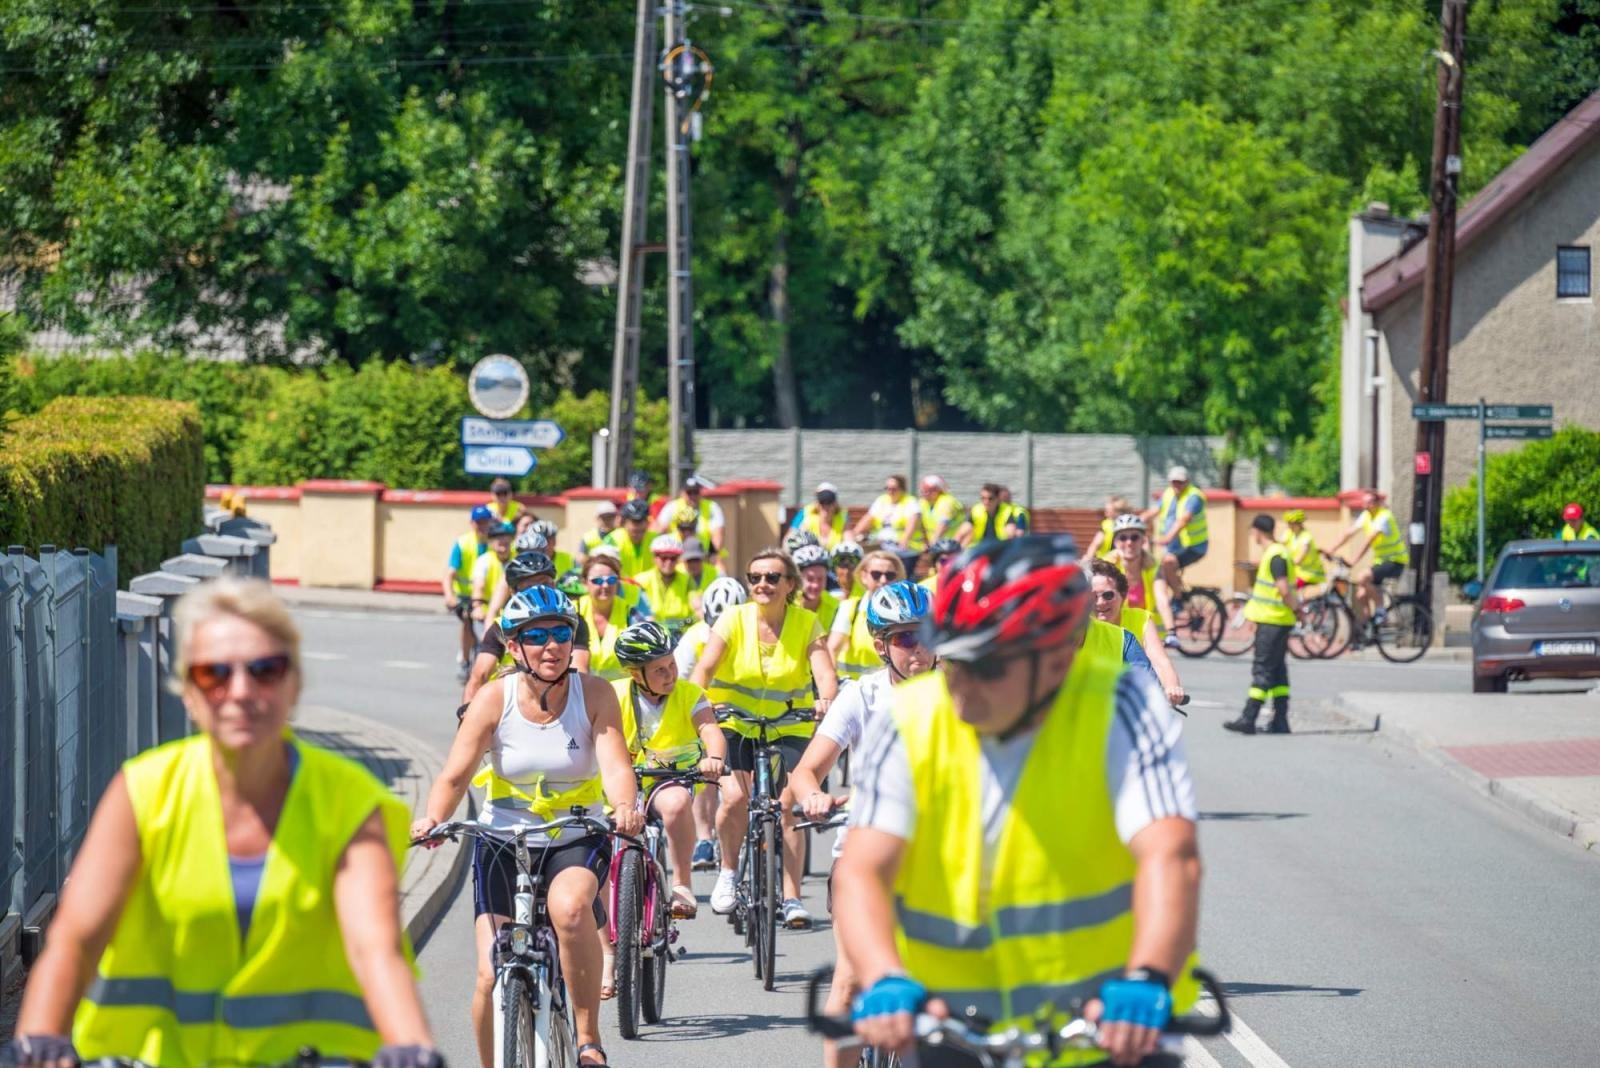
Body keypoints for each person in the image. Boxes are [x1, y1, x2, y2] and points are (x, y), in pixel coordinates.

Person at [9, 578, 437, 1067]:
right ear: (188, 693)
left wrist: (411, 1045)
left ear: (294, 684)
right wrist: (41, 1039)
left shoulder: (352, 802)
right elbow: (75, 940)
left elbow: (375, 948)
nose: (241, 691)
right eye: (214, 674)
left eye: (265, 670)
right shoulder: (144, 791)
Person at [834, 536, 1202, 1067]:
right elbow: (862, 871)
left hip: (1106, 1015)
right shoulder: (910, 719)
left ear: (1051, 660)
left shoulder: (1120, 708)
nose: (958, 683)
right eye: (951, 657)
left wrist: (1148, 977)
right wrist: (884, 975)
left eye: (984, 665)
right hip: (957, 1013)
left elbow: (1172, 857)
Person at [415, 586, 642, 1068]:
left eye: (561, 632)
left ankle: (586, 1038)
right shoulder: (494, 699)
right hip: (503, 839)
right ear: (513, 647)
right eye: (535, 636)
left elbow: (616, 765)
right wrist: (433, 818)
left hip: (574, 835)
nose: (551, 645)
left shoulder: (595, 693)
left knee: (571, 909)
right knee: (487, 974)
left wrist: (624, 805)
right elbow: (455, 774)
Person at [788, 581, 936, 1068]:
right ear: (881, 646)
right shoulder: (861, 696)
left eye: (928, 634)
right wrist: (813, 795)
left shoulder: (961, 693)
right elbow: (807, 769)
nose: (920, 648)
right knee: (850, 981)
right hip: (865, 858)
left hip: (940, 859)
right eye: (906, 638)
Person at [692, 548, 839, 929]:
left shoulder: (807, 623)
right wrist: (695, 704)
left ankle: (791, 898)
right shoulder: (733, 619)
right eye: (755, 576)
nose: (762, 584)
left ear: (789, 584)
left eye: (773, 577)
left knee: (788, 803)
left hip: (789, 724)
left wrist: (825, 700)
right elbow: (704, 668)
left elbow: (824, 672)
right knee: (737, 797)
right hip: (734, 723)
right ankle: (727, 871)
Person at [612, 622, 728, 918]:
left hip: (671, 779)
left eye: (672, 665)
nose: (670, 674)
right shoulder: (613, 696)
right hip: (622, 780)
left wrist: (713, 758)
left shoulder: (690, 694)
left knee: (677, 804)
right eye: (659, 670)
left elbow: (711, 731)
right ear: (636, 674)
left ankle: (681, 884)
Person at [675, 576, 748, 872]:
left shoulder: (755, 634)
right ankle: (704, 837)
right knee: (706, 770)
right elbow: (677, 679)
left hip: (745, 717)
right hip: (706, 714)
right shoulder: (695, 637)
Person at [462, 552, 593, 707]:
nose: (539, 591)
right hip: (508, 703)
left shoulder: (571, 620)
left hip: (558, 702)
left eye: (545, 584)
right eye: (530, 586)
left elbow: (580, 668)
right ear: (513, 592)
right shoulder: (500, 626)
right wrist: (466, 715)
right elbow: (479, 676)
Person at [1225, 516, 1299, 735]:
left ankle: (1249, 718)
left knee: (1263, 670)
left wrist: (1297, 609)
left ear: (1258, 531)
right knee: (1277, 673)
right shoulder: (1278, 553)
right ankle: (1281, 720)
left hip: (1273, 620)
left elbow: (1283, 589)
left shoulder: (1276, 555)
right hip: (1275, 619)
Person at [1089, 558, 1185, 707]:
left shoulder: (1140, 619)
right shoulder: (1080, 627)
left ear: (1122, 595)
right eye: (1093, 597)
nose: (1100, 602)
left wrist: (1171, 687)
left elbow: (1159, 661)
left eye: (1108, 595)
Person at [1326, 490, 1409, 627]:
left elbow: (1369, 540)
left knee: (1362, 577)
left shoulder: (1384, 517)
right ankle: (1368, 628)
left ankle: (1381, 612)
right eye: (1364, 502)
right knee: (1360, 595)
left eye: (1369, 502)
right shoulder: (1366, 516)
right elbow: (1349, 533)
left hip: (1395, 560)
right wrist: (1332, 549)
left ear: (1376, 503)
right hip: (1381, 561)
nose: (1365, 505)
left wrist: (1353, 561)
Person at [827, 549, 907, 683]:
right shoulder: (850, 608)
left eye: (890, 575)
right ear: (863, 576)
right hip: (852, 690)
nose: (883, 580)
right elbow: (832, 649)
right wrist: (831, 686)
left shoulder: (905, 613)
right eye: (876, 574)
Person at [1144, 466, 1208, 619]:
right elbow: (1153, 511)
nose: (1177, 486)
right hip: (1175, 547)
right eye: (1174, 482)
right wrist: (1136, 522)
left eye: (1180, 482)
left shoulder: (1194, 497)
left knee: (1168, 563)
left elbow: (1184, 520)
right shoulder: (1168, 494)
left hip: (1193, 546)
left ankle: (1178, 599)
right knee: (1159, 574)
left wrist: (1166, 539)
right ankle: (1168, 605)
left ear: (1187, 482)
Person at [446, 504, 496, 679]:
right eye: (479, 522)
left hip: (489, 595)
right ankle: (465, 661)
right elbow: (449, 574)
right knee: (467, 620)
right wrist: (450, 596)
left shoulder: (496, 542)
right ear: (472, 523)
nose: (483, 526)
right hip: (466, 595)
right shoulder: (463, 543)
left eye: (486, 522)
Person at [1109, 513, 1175, 640]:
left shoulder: (1154, 566)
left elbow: (1162, 599)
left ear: (1143, 540)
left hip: (1147, 636)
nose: (1129, 543)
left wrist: (1171, 630)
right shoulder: (1107, 566)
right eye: (1123, 538)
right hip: (1116, 636)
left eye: (1134, 537)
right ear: (1115, 542)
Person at [579, 554, 634, 681]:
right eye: (597, 581)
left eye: (611, 580)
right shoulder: (572, 611)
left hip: (620, 695)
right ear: (584, 583)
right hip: (583, 691)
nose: (605, 585)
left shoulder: (631, 614)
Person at [636, 534, 696, 637]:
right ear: (655, 558)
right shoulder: (641, 580)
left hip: (681, 636)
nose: (668, 562)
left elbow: (697, 603)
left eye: (673, 558)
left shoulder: (687, 580)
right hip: (652, 636)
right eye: (664, 558)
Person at [654, 474, 726, 558]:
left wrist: (712, 555)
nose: (692, 496)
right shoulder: (672, 507)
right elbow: (659, 531)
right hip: (676, 555)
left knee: (720, 570)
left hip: (703, 555)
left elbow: (717, 536)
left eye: (695, 492)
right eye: (689, 492)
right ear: (682, 493)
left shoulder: (712, 507)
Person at [852, 475, 923, 551]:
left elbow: (912, 523)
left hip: (903, 545)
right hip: (879, 543)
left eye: (894, 489)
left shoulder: (910, 501)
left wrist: (903, 542)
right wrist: (853, 536)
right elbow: (868, 519)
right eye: (887, 488)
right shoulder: (882, 500)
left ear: (902, 489)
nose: (890, 492)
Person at [469, 522, 515, 622]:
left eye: (506, 544)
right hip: (488, 609)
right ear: (491, 544)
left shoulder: (517, 559)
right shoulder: (484, 560)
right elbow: (478, 586)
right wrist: (477, 607)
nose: (503, 549)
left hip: (513, 610)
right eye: (500, 545)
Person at [794, 543, 841, 632]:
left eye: (820, 579)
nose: (815, 585)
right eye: (810, 579)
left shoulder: (836, 607)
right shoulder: (787, 605)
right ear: (799, 578)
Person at [606, 499, 656, 578]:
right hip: (622, 588)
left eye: (641, 521)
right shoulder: (612, 540)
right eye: (634, 521)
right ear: (624, 522)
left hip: (648, 589)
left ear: (647, 522)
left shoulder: (656, 540)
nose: (638, 526)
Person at [791, 482, 848, 550]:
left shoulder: (843, 516)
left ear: (835, 503)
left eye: (829, 502)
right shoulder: (804, 514)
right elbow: (790, 539)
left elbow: (849, 539)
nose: (826, 506)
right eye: (822, 502)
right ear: (817, 502)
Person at [1282, 508, 1326, 590]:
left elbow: (1299, 559)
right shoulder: (1289, 533)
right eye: (1288, 523)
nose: (1289, 526)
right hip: (1297, 572)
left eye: (1292, 523)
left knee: (1289, 589)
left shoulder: (1306, 537)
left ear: (1299, 524)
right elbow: (1279, 545)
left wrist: (1284, 563)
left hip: (1309, 574)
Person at [916, 475, 963, 548]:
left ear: (938, 490)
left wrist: (931, 546)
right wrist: (924, 543)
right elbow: (920, 525)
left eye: (927, 490)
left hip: (951, 544)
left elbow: (943, 525)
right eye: (922, 490)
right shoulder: (923, 502)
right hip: (935, 544)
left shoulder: (947, 502)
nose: (924, 493)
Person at [1085, 495, 1133, 561]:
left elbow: (1096, 543)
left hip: (1107, 563)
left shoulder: (1107, 525)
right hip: (1115, 562)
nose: (1105, 513)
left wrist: (1088, 558)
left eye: (1107, 511)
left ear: (1117, 512)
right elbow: (1095, 544)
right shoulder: (1131, 524)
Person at [579, 500, 621, 565]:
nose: (607, 521)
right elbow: (581, 560)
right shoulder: (588, 538)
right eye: (604, 518)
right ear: (597, 518)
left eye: (610, 517)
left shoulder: (622, 535)